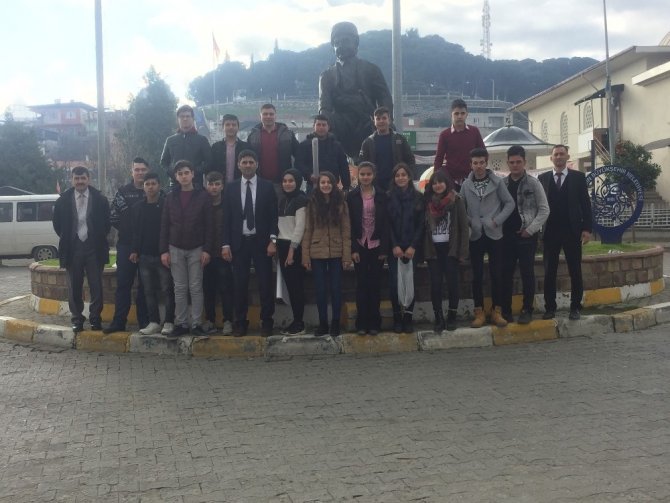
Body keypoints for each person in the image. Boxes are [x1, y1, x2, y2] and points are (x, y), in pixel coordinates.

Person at [221, 150, 279, 337]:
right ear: (238, 165)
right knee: (239, 285)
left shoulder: (267, 187)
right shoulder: (230, 188)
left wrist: (273, 240)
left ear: (257, 164)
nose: (247, 165)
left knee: (265, 284)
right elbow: (227, 218)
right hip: (239, 243)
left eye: (251, 162)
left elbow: (273, 216)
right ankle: (240, 322)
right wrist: (225, 244)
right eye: (244, 162)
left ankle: (267, 321)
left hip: (262, 242)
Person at [319, 21, 393, 160]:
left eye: (345, 41)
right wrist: (324, 126)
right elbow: (324, 106)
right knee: (326, 131)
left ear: (356, 43)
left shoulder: (371, 70)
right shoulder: (327, 76)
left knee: (380, 133)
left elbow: (384, 98)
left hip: (366, 119)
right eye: (336, 43)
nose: (341, 46)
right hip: (340, 121)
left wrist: (386, 119)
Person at [460, 148, 515, 328]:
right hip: (476, 234)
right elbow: (461, 207)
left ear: (486, 162)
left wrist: (497, 220)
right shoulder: (466, 185)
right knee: (476, 275)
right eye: (475, 163)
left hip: (494, 233)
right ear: (471, 164)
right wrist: (471, 221)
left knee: (496, 273)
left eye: (481, 162)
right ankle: (479, 312)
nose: (479, 166)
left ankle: (497, 311)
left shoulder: (497, 182)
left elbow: (509, 203)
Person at [159, 160, 214, 337]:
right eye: (180, 173)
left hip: (197, 247)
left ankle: (197, 323)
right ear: (176, 177)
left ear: (193, 174)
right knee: (180, 287)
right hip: (175, 247)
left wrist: (207, 249)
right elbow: (164, 225)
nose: (183, 176)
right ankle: (181, 323)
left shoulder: (203, 196)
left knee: (196, 287)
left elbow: (209, 225)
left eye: (186, 173)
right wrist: (164, 251)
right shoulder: (170, 197)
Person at [52, 166, 110, 332]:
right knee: (74, 286)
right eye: (76, 179)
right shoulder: (63, 200)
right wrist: (70, 237)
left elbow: (107, 223)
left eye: (83, 178)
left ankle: (95, 319)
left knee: (96, 285)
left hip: (94, 247)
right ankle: (77, 319)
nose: (80, 181)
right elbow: (57, 224)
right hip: (73, 248)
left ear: (88, 179)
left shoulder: (100, 199)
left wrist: (96, 237)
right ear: (72, 180)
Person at [538, 144, 592, 320]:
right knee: (549, 272)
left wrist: (587, 229)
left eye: (562, 154)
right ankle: (550, 308)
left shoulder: (578, 177)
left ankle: (575, 307)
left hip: (572, 231)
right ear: (551, 158)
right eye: (556, 154)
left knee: (575, 270)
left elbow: (585, 204)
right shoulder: (543, 178)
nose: (559, 157)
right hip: (550, 232)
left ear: (568, 156)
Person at [501, 146, 549, 324]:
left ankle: (527, 309)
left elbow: (544, 209)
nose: (515, 165)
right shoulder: (502, 184)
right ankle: (505, 311)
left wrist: (531, 229)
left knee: (527, 273)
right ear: (507, 163)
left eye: (518, 162)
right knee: (505, 274)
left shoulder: (533, 183)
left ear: (524, 162)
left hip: (527, 236)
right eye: (512, 162)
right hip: (506, 236)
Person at [302, 171, 352, 337]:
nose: (326, 185)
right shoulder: (312, 203)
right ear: (318, 185)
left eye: (329, 182)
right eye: (323, 182)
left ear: (334, 184)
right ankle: (323, 323)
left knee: (336, 289)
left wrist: (346, 255)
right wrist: (305, 256)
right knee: (320, 290)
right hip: (317, 252)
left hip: (337, 251)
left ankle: (335, 322)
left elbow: (346, 230)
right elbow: (308, 229)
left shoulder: (341, 203)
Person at [104, 157, 149, 334]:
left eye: (143, 169)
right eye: (137, 169)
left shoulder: (155, 190)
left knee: (145, 286)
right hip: (126, 245)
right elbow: (113, 217)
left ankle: (145, 322)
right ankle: (118, 322)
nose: (140, 173)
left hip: (148, 247)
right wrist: (129, 230)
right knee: (123, 285)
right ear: (132, 172)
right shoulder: (122, 192)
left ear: (147, 170)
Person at [129, 173, 175, 336]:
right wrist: (134, 250)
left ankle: (169, 321)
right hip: (144, 256)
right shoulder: (138, 208)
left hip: (163, 254)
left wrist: (168, 250)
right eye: (147, 184)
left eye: (153, 183)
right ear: (143, 187)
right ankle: (154, 322)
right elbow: (136, 231)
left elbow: (171, 229)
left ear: (159, 185)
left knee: (167, 289)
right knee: (148, 290)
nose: (150, 187)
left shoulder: (166, 205)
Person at [422, 170, 469, 332]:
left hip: (451, 249)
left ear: (446, 183)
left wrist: (463, 252)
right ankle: (439, 318)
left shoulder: (456, 200)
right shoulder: (427, 202)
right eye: (434, 183)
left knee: (452, 284)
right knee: (435, 285)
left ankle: (452, 317)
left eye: (440, 182)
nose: (437, 185)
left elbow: (464, 227)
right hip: (433, 249)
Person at [347, 162, 389, 335]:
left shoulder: (382, 195)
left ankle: (375, 323)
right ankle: (361, 323)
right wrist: (353, 249)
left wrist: (384, 249)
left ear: (374, 175)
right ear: (358, 176)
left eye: (368, 174)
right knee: (361, 284)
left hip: (377, 244)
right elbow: (349, 224)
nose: (365, 177)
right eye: (362, 174)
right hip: (360, 244)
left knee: (375, 284)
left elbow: (386, 223)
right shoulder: (351, 196)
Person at [387, 163, 424, 333]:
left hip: (412, 248)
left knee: (410, 283)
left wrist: (413, 246)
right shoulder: (388, 197)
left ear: (409, 177)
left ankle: (408, 318)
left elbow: (421, 225)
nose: (400, 178)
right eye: (397, 175)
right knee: (394, 284)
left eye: (404, 174)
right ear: (394, 178)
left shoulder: (418, 197)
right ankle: (397, 318)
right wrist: (394, 245)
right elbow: (387, 224)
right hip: (394, 248)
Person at [277, 169, 309, 335]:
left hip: (294, 248)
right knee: (289, 286)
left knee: (296, 287)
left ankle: (299, 322)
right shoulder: (282, 199)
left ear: (297, 182)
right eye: (285, 181)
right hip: (281, 245)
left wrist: (292, 250)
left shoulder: (301, 199)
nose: (287, 184)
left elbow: (300, 227)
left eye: (291, 181)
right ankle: (295, 320)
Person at [202, 171, 234, 335]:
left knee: (226, 288)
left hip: (223, 253)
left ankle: (228, 320)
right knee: (208, 289)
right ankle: (210, 320)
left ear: (222, 186)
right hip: (206, 253)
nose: (214, 187)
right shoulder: (202, 204)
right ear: (206, 185)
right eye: (211, 184)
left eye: (217, 184)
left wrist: (228, 246)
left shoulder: (228, 204)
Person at [433, 99, 486, 190]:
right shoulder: (444, 135)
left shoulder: (474, 132)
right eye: (456, 113)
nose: (460, 116)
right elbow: (439, 159)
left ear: (467, 114)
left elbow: (484, 153)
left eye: (462, 113)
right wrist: (435, 180)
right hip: (451, 182)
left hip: (473, 179)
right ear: (451, 114)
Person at [359, 106, 416, 191]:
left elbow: (410, 160)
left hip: (397, 185)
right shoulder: (367, 142)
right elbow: (361, 165)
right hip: (376, 187)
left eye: (384, 118)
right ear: (374, 122)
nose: (381, 121)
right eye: (378, 119)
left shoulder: (400, 139)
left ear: (389, 120)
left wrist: (408, 178)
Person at [246, 103, 299, 185]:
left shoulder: (288, 134)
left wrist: (295, 174)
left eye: (271, 114)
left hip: (282, 182)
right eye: (265, 114)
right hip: (259, 182)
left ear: (275, 116)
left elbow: (299, 155)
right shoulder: (252, 136)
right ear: (260, 116)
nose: (268, 116)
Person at [295, 114, 350, 192]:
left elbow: (343, 166)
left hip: (332, 186)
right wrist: (309, 175)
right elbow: (299, 164)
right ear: (313, 126)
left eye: (324, 125)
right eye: (318, 125)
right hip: (313, 186)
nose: (321, 127)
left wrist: (346, 186)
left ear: (328, 127)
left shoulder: (336, 146)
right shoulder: (304, 145)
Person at [160, 105, 212, 188]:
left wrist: (193, 172)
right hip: (174, 185)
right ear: (178, 119)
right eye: (182, 116)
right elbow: (163, 162)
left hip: (196, 185)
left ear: (193, 118)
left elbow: (209, 161)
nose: (185, 119)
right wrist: (172, 172)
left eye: (188, 116)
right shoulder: (170, 140)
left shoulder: (202, 140)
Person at [209, 114, 250, 183]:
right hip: (220, 185)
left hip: (240, 184)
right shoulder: (215, 147)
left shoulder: (246, 147)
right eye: (227, 125)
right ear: (223, 127)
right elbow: (211, 167)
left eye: (234, 125)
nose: (231, 127)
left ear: (238, 127)